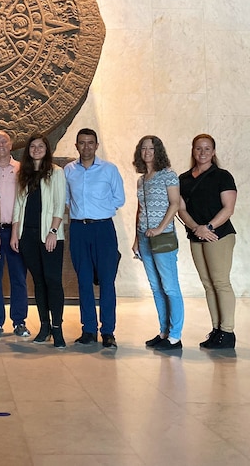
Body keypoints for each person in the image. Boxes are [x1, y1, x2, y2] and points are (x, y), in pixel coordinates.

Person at [64, 128, 125, 348]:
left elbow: (119, 198)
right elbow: (66, 199)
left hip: (104, 229)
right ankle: (88, 329)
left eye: (91, 143)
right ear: (76, 146)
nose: (86, 147)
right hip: (79, 230)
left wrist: (99, 211)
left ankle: (108, 330)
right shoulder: (69, 170)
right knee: (83, 281)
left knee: (107, 281)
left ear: (96, 146)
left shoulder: (109, 169)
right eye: (82, 143)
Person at [177, 133, 238, 350]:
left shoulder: (222, 176)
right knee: (208, 284)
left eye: (207, 148)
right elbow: (180, 208)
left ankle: (228, 332)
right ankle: (216, 330)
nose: (202, 152)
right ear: (193, 151)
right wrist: (196, 228)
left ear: (213, 151)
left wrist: (208, 227)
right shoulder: (183, 179)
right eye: (198, 148)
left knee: (220, 282)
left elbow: (228, 208)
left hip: (218, 235)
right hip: (196, 235)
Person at [10, 133, 67, 348]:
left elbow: (59, 204)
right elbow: (17, 206)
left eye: (40, 146)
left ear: (46, 149)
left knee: (53, 281)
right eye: (32, 146)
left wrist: (53, 231)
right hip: (28, 236)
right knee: (39, 282)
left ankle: (57, 328)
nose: (36, 149)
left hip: (50, 236)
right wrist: (15, 233)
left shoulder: (56, 172)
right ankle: (44, 326)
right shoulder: (23, 174)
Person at [132, 135, 184, 351]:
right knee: (155, 287)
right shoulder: (142, 180)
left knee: (170, 287)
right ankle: (163, 331)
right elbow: (140, 209)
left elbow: (175, 204)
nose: (147, 152)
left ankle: (175, 336)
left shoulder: (169, 175)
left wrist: (160, 228)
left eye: (151, 149)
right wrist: (137, 238)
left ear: (158, 151)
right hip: (144, 237)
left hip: (162, 237)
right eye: (143, 148)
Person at [0, 130, 29, 337]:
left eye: (4, 141)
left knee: (18, 277)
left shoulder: (22, 170)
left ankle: (19, 321)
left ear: (11, 144)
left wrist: (18, 230)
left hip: (16, 232)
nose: (0, 145)